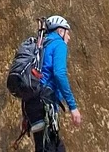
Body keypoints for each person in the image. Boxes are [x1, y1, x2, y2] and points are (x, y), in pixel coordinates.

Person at [22, 15, 80, 152]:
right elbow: (59, 74)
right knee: (48, 148)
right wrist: (73, 107)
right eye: (67, 32)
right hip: (44, 105)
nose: (69, 37)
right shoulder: (58, 44)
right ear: (60, 31)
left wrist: (25, 115)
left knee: (54, 147)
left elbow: (31, 77)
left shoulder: (40, 45)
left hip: (32, 105)